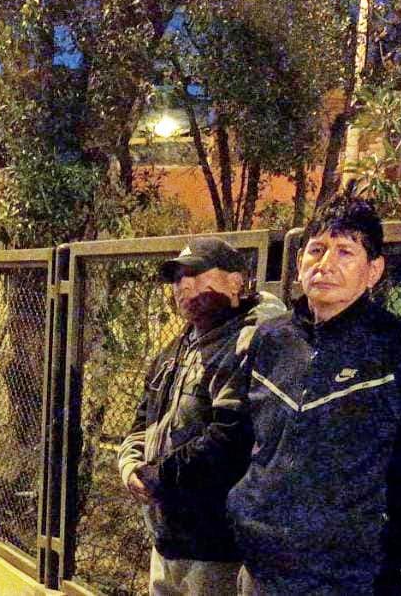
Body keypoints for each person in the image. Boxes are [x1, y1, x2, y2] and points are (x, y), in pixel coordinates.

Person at [227, 195, 401, 594]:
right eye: (316, 249)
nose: (325, 264)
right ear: (299, 262)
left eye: (345, 252)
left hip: (352, 577)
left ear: (374, 270)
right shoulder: (270, 340)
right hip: (262, 568)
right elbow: (246, 438)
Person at [119, 237, 286, 596]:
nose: (183, 285)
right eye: (177, 277)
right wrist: (130, 466)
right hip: (166, 535)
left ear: (236, 281)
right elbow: (144, 416)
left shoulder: (249, 344)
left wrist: (157, 476)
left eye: (196, 273)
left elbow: (230, 439)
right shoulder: (178, 346)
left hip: (215, 544)